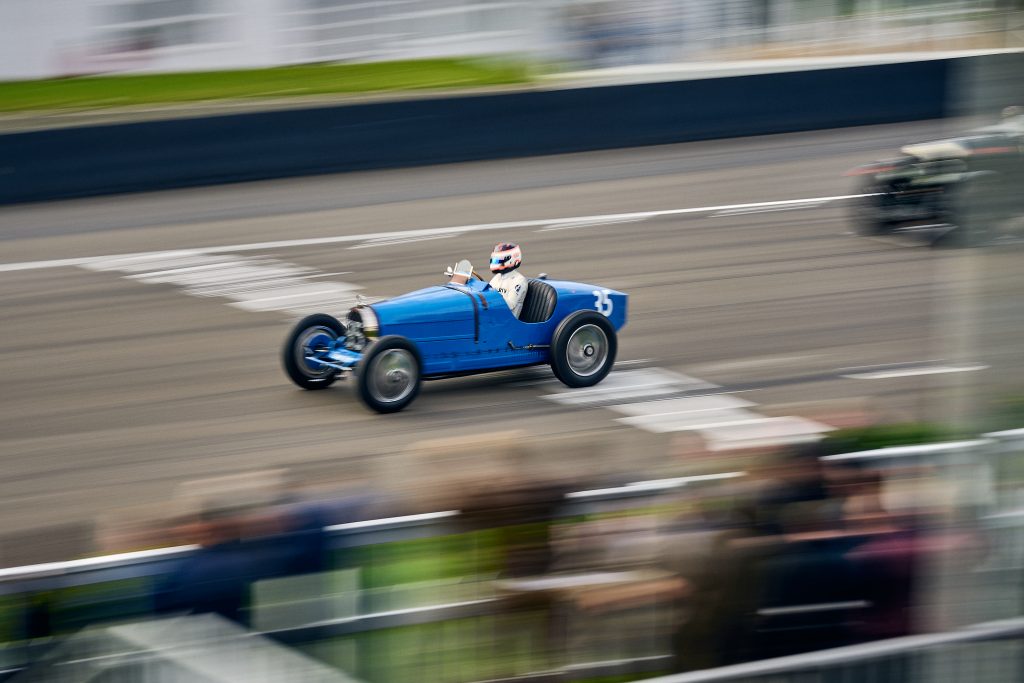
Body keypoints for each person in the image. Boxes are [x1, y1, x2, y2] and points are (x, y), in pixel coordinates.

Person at [489, 242, 528, 317]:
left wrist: (493, 297)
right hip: (495, 316)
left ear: (511, 259)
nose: (495, 262)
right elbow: (487, 294)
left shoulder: (519, 280)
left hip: (507, 321)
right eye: (494, 260)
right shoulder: (497, 277)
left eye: (498, 260)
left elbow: (510, 305)